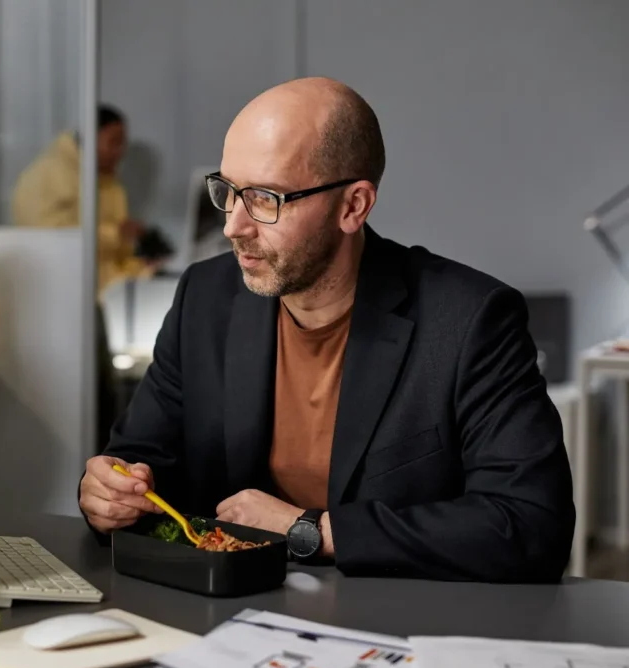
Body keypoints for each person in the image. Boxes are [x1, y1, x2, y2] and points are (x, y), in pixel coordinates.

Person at [78, 78, 575, 583]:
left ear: (353, 206)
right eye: (227, 191)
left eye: (266, 198)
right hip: (231, 616)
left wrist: (311, 530)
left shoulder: (469, 320)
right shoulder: (205, 299)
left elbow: (531, 526)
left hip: (397, 625)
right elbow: (142, 457)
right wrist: (109, 493)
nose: (233, 226)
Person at [11, 104, 154, 294]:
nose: (119, 152)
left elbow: (112, 255)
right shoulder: (47, 175)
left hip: (106, 294)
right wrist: (116, 234)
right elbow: (50, 238)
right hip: (64, 294)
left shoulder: (108, 182)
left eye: (122, 144)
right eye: (113, 142)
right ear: (90, 138)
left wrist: (143, 266)